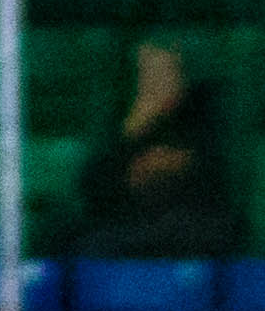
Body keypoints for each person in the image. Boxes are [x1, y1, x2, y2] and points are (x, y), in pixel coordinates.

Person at [72, 39, 241, 260]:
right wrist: (133, 130)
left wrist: (168, 166)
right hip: (125, 232)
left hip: (191, 237)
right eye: (146, 72)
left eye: (163, 70)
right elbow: (93, 191)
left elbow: (220, 187)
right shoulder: (124, 120)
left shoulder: (207, 116)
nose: (153, 80)